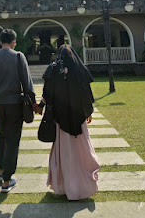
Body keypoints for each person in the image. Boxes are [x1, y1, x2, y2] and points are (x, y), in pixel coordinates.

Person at [38, 44, 100, 200]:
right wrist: (88, 112)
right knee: (80, 151)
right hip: (77, 119)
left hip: (60, 120)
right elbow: (86, 93)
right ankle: (81, 185)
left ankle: (64, 186)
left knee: (65, 153)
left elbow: (47, 93)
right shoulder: (79, 70)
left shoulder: (53, 70)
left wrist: (40, 106)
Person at [0, 29, 36, 193]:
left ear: (0, 42)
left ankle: (0, 171)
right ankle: (7, 181)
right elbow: (27, 83)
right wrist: (33, 103)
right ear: (14, 42)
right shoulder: (18, 56)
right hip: (14, 104)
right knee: (12, 140)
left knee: (2, 136)